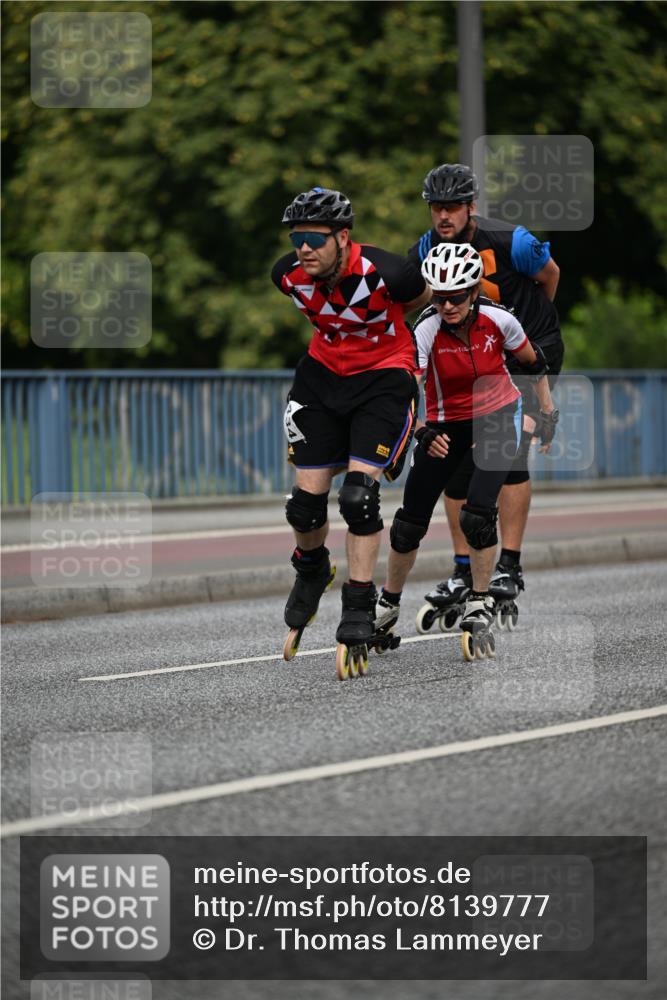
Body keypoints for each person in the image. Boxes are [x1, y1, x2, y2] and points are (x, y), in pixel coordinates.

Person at [271, 187, 431, 673]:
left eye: (315, 239)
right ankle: (312, 568)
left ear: (343, 237)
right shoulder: (287, 276)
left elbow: (425, 303)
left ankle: (359, 606)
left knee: (359, 499)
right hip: (322, 379)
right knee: (304, 506)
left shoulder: (390, 273)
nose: (304, 248)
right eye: (297, 238)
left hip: (382, 377)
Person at [375, 242, 557, 659]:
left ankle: (478, 599)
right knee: (408, 525)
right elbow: (406, 391)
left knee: (477, 515)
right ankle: (387, 603)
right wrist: (420, 432)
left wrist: (547, 412)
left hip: (497, 417)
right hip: (443, 425)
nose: (447, 305)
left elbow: (534, 363)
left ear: (475, 291)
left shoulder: (499, 319)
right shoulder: (426, 328)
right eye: (439, 296)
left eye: (456, 296)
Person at [407, 163, 562, 614]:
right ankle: (463, 568)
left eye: (453, 207)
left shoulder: (510, 240)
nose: (443, 216)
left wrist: (526, 327)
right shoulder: (426, 246)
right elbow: (417, 297)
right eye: (437, 208)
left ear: (471, 207)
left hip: (524, 347)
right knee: (457, 461)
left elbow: (550, 274)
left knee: (509, 453)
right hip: (472, 351)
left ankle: (509, 565)